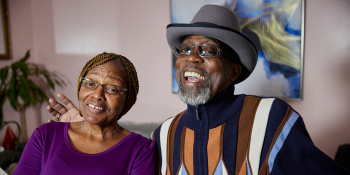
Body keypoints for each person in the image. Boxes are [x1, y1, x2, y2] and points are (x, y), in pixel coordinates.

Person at [46, 5, 350, 175]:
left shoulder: (271, 119)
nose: (191, 57)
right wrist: (87, 127)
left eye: (208, 50)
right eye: (186, 49)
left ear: (233, 71)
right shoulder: (163, 135)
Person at [14, 53, 156, 175]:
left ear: (127, 99)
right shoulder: (45, 135)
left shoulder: (141, 150)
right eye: (90, 84)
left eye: (112, 89)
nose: (97, 95)